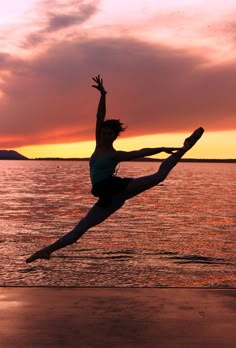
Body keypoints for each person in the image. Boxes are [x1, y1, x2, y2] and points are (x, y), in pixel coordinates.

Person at [26, 75, 204, 263]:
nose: (105, 134)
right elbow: (99, 116)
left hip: (119, 189)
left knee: (159, 177)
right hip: (108, 197)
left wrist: (160, 149)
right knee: (81, 228)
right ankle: (47, 250)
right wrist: (103, 94)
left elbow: (139, 152)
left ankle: (185, 148)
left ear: (114, 136)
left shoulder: (114, 154)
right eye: (103, 132)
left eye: (109, 133)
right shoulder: (98, 145)